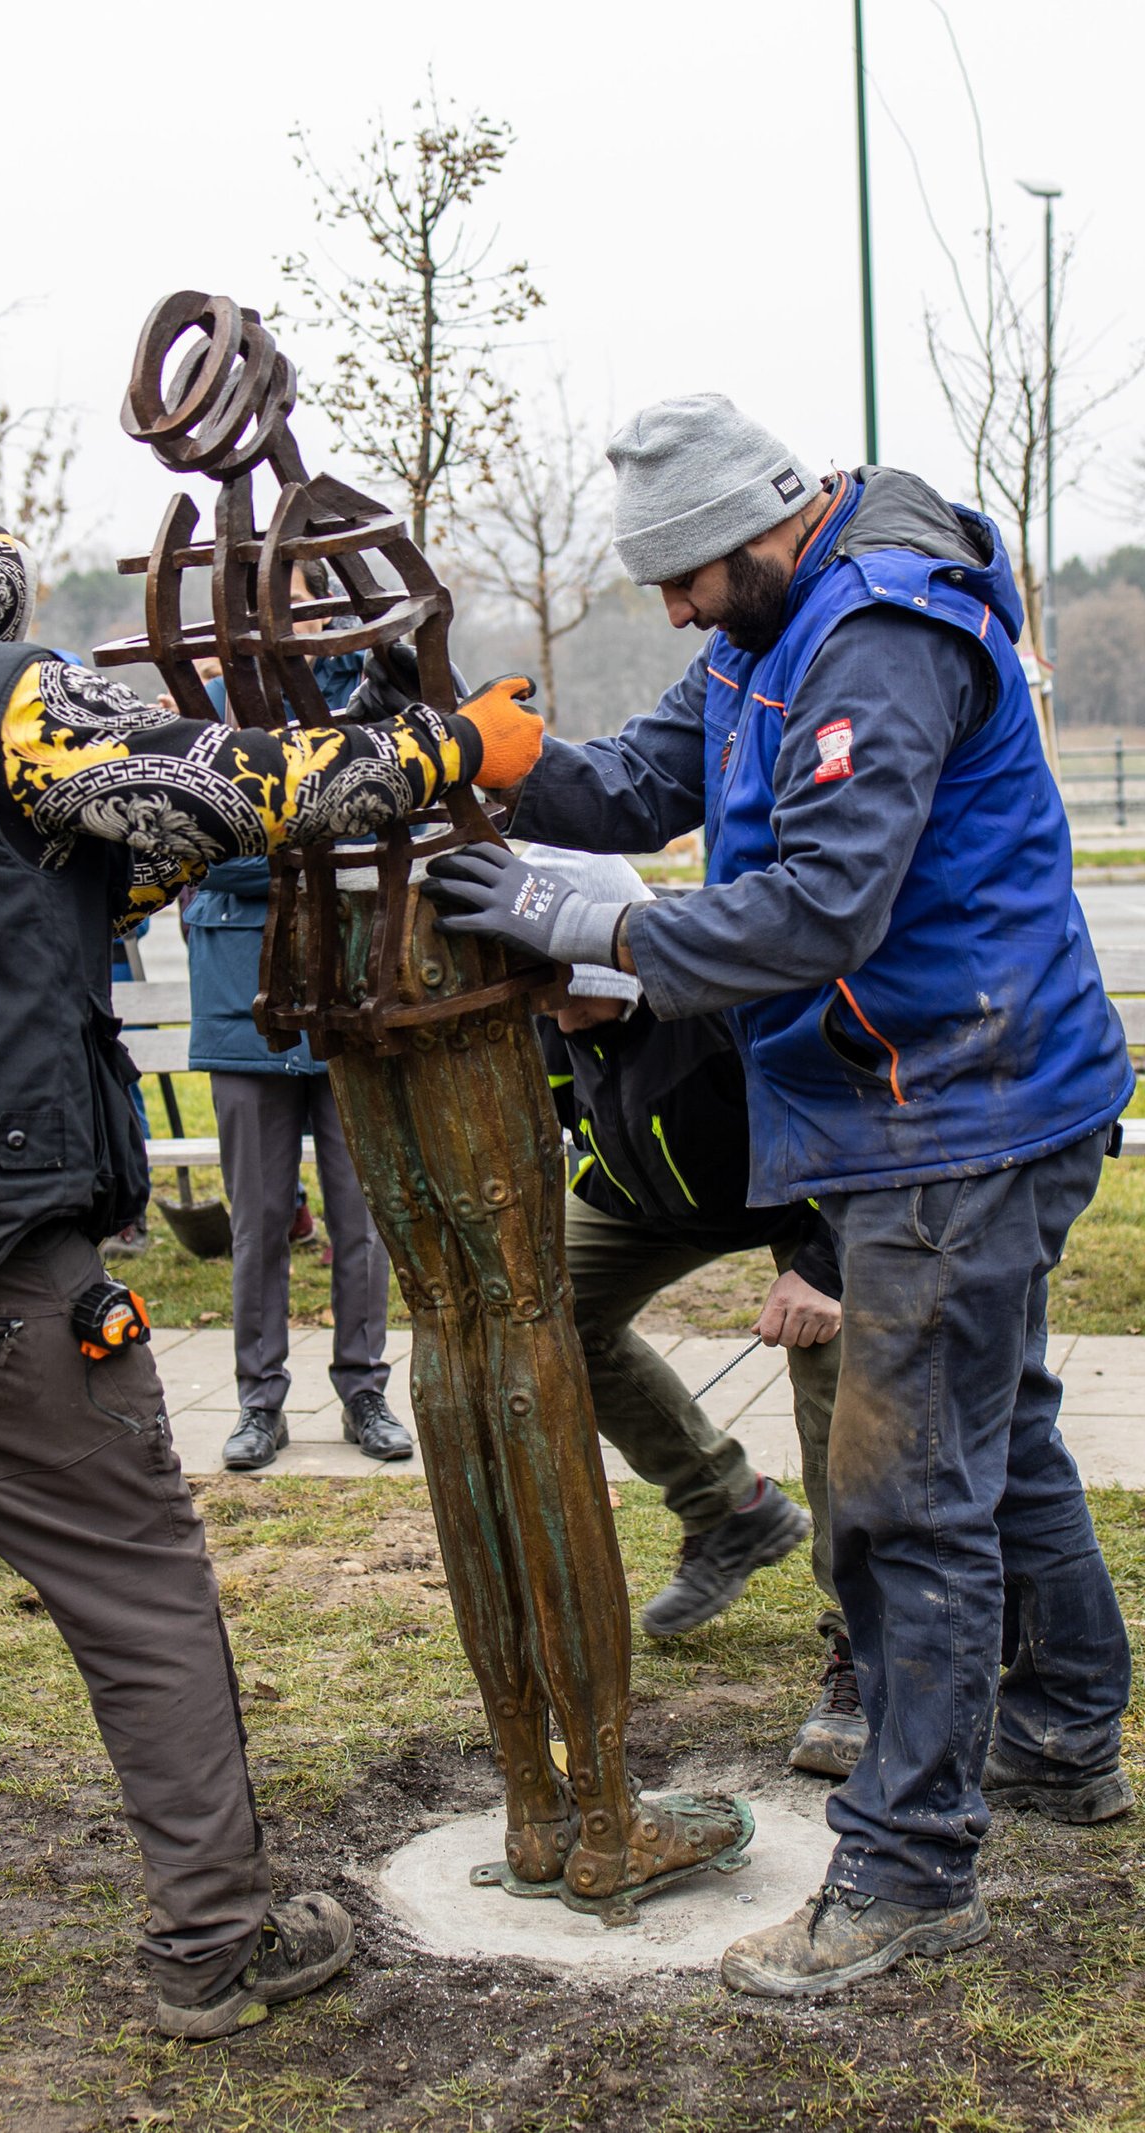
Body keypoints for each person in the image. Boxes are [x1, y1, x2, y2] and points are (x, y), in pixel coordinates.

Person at [0, 464, 541, 2119]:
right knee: (141, 1596)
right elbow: (229, 786)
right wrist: (446, 748)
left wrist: (291, 765)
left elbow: (40, 879)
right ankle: (216, 1943)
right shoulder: (5, 698)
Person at [426, 397, 1135, 1999]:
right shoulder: (771, 622)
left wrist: (591, 928)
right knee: (1002, 1433)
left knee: (903, 1496)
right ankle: (1060, 1732)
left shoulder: (874, 637)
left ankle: (909, 1867)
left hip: (953, 1112)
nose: (677, 612)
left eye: (685, 579)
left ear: (763, 527)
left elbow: (821, 908)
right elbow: (640, 783)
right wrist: (499, 762)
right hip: (956, 1088)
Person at [527, 842, 862, 1773]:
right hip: (647, 1195)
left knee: (842, 1389)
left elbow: (857, 1120)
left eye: (561, 984)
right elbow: (559, 1109)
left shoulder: (727, 994)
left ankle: (865, 1644)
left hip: (807, 1193)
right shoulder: (553, 1008)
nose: (549, 1009)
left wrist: (826, 1269)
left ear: (611, 959)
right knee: (542, 1315)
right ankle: (729, 1509)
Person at [186, 561, 410, 1470]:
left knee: (362, 1219)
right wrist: (322, 833)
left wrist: (276, 833)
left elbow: (392, 823)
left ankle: (365, 1390)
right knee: (260, 1222)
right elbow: (203, 848)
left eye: (302, 596)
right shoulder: (205, 707)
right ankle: (258, 1403)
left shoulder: (370, 698)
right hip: (240, 1002)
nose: (283, 614)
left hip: (350, 993)